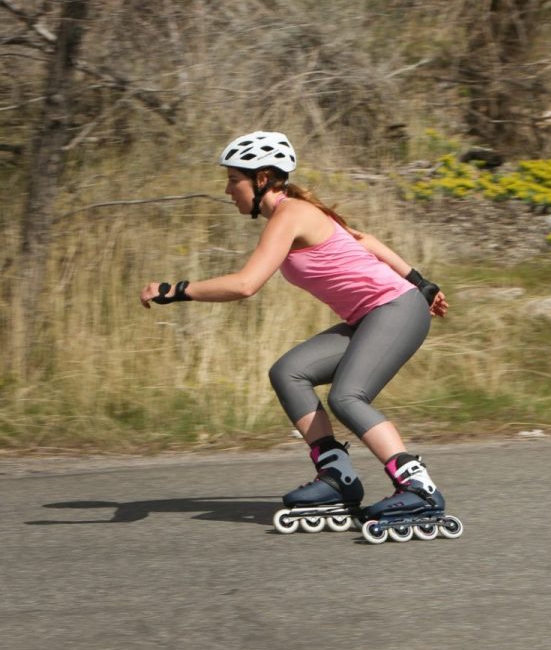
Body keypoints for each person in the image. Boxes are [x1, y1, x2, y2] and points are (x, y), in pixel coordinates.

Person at [139, 130, 451, 527]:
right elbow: (364, 242)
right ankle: (338, 478)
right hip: (376, 314)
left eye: (234, 180)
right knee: (289, 372)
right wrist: (422, 283)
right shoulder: (297, 213)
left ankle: (418, 488)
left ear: (262, 179)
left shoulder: (292, 213)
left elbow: (245, 284)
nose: (227, 189)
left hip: (395, 309)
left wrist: (175, 290)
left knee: (347, 396)